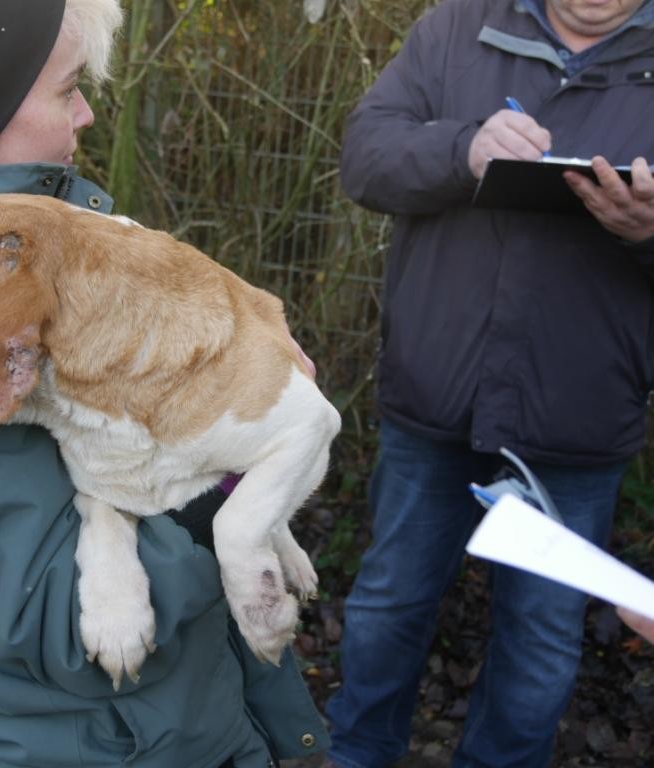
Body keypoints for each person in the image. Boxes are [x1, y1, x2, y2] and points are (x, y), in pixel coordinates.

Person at [0, 0, 332, 765]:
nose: (84, 114)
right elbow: (53, 621)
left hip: (175, 725)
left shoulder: (45, 252)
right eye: (66, 88)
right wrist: (233, 458)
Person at [322, 1, 654, 767]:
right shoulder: (452, 29)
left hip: (576, 413)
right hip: (433, 396)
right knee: (385, 609)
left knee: (538, 642)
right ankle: (355, 755)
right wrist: (462, 150)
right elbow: (365, 157)